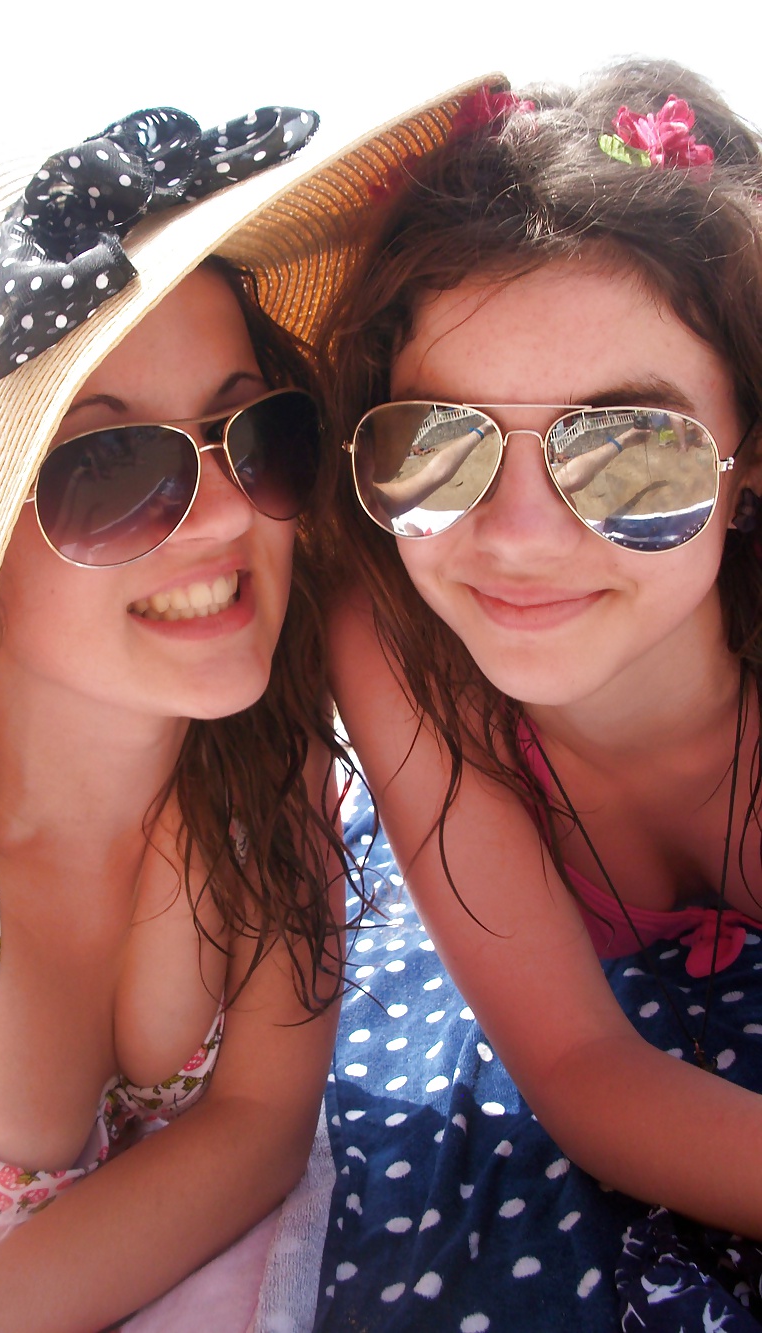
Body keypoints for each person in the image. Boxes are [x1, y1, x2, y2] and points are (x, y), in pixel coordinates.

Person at [0, 94, 463, 1333]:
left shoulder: (270, 732)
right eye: (109, 468)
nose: (227, 514)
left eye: (256, 433)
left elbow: (259, 1125)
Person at [324, 61, 762, 1248]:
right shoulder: (396, 639)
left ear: (747, 464)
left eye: (631, 447)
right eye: (435, 440)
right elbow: (579, 1066)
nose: (516, 536)